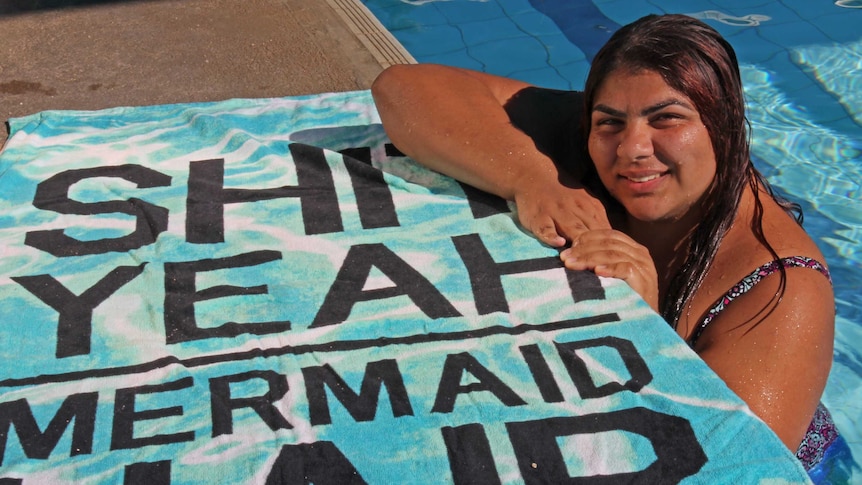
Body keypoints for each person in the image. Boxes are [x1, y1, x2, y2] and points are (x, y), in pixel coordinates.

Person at [372, 13, 848, 478]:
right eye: (610, 122)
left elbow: (727, 468)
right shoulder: (600, 137)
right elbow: (402, 89)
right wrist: (532, 180)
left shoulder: (784, 289)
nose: (632, 148)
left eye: (666, 119)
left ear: (723, 124)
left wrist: (640, 331)